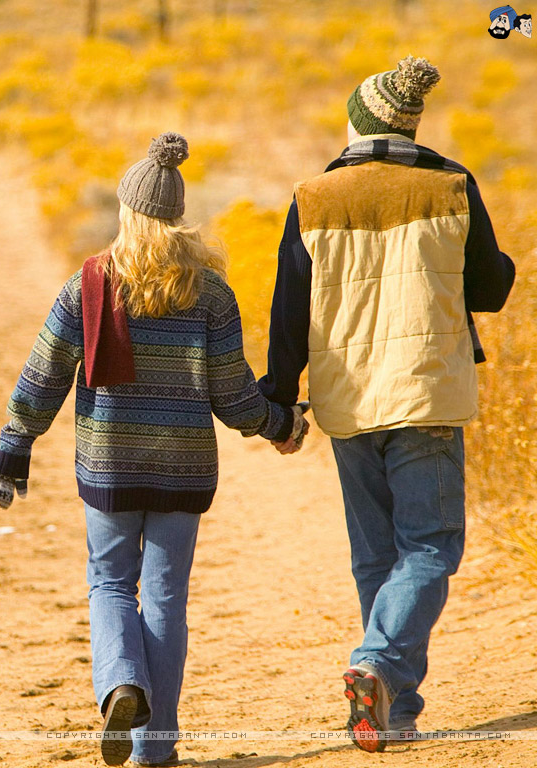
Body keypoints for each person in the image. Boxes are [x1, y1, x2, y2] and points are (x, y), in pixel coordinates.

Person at [0, 132, 308, 767]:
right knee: (165, 600)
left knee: (110, 584)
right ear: (179, 218)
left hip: (109, 465)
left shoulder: (89, 285)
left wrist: (13, 446)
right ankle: (155, 747)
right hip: (183, 471)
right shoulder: (211, 294)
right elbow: (233, 398)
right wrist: (280, 424)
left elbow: (43, 372)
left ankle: (121, 686)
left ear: (127, 213)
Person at [258, 56, 516, 752]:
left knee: (377, 556)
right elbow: (490, 290)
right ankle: (378, 666)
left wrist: (280, 405)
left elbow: (289, 312)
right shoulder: (452, 185)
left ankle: (391, 712)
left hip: (347, 397)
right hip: (426, 389)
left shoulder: (313, 196)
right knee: (430, 549)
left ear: (359, 122)